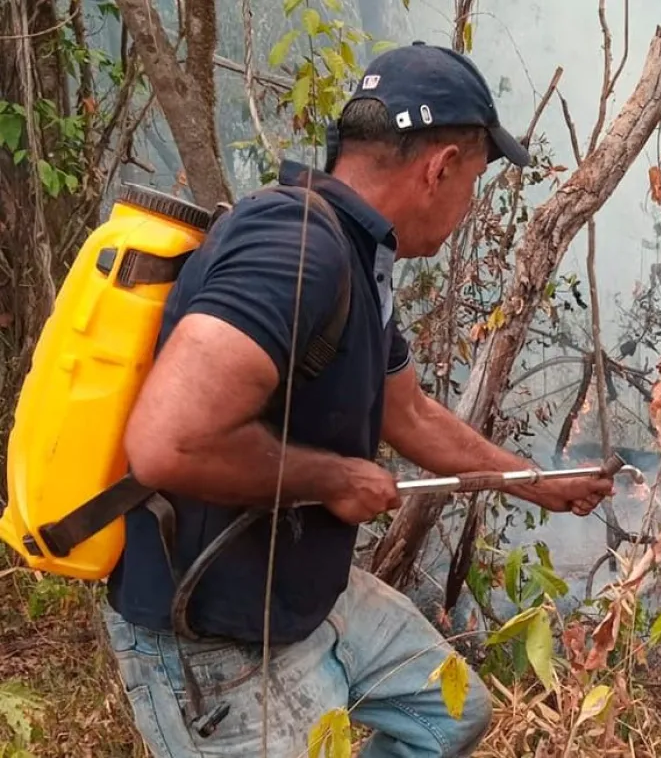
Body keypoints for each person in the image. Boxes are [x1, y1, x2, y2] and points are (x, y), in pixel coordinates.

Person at [100, 41, 614, 757]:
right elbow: (166, 442)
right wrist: (337, 476)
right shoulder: (293, 252)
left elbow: (409, 413)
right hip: (219, 636)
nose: (468, 205)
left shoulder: (354, 255)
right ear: (441, 167)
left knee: (447, 715)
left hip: (304, 593)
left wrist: (538, 482)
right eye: (474, 180)